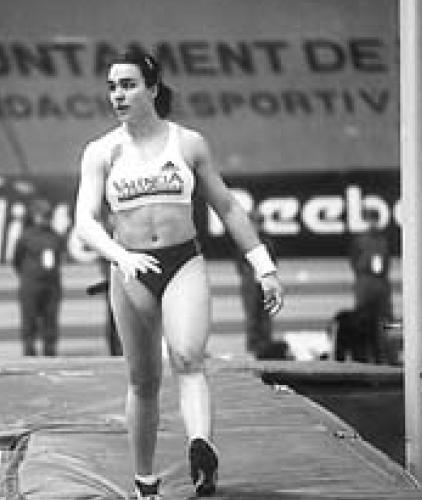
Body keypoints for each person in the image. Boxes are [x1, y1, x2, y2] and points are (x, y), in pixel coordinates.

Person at [73, 50, 283, 499]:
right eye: (112, 87)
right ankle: (145, 482)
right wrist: (120, 256)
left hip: (182, 262)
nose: (118, 95)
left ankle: (201, 448)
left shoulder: (188, 144)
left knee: (188, 358)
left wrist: (264, 268)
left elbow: (227, 206)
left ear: (152, 88)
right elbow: (84, 221)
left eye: (128, 84)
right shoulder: (101, 152)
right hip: (130, 269)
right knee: (143, 380)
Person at [12, 197, 65, 356]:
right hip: (31, 284)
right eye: (43, 215)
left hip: (51, 285)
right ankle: (29, 352)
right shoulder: (26, 237)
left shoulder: (56, 236)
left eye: (48, 216)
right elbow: (17, 260)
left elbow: (59, 258)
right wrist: (28, 275)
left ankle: (50, 352)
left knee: (50, 319)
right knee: (29, 319)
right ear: (35, 216)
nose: (45, 219)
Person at [348, 209, 393, 364]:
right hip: (365, 283)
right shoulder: (359, 240)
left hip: (380, 283)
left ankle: (384, 355)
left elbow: (387, 262)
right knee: (363, 319)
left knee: (383, 319)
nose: (372, 223)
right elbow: (354, 261)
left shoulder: (383, 240)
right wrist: (362, 275)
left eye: (375, 219)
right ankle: (364, 355)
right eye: (370, 219)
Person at [233, 210, 278, 359]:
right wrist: (249, 276)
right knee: (252, 316)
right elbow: (239, 263)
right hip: (250, 285)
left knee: (266, 315)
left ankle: (266, 345)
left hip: (265, 284)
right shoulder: (243, 241)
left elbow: (273, 261)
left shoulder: (267, 241)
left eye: (258, 223)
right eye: (253, 223)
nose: (255, 226)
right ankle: (253, 346)